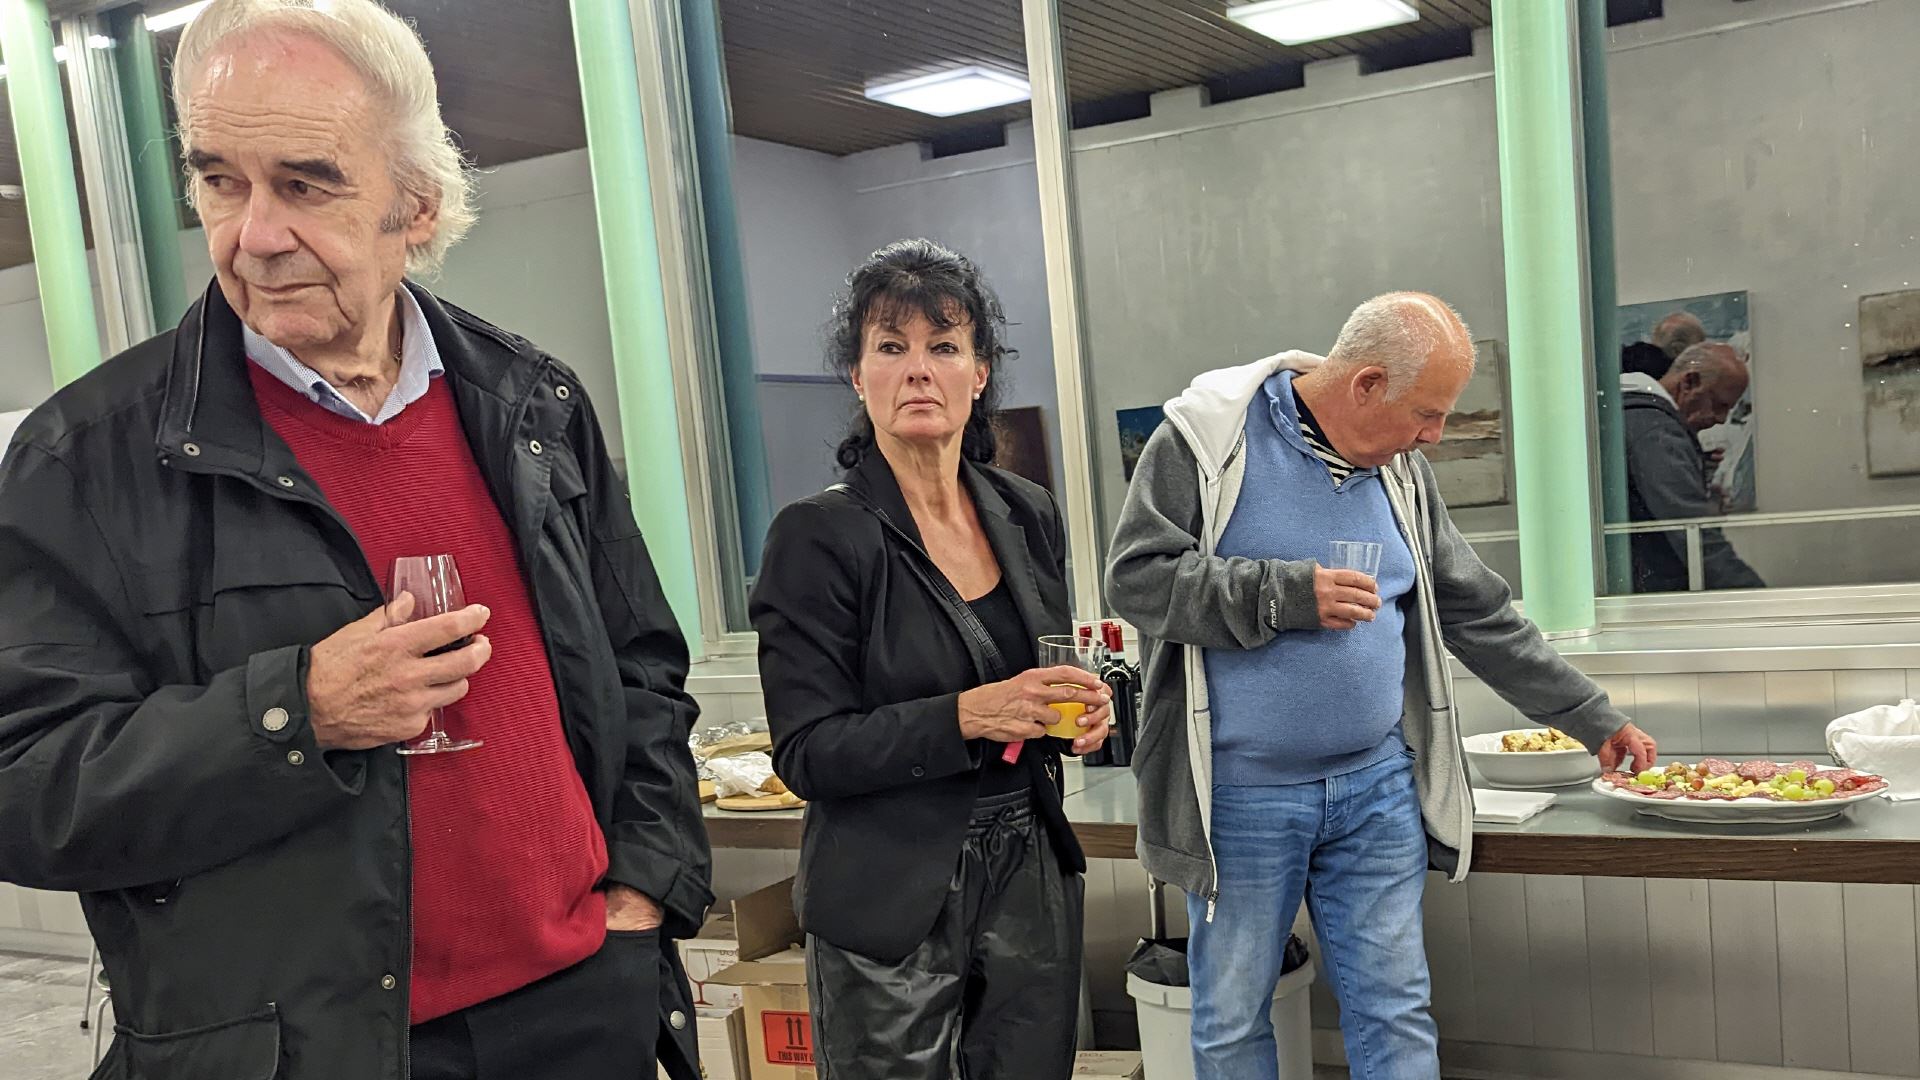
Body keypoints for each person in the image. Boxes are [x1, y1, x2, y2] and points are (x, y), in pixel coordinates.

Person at [0, 2, 711, 1077]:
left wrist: (645, 888)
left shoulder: (532, 403)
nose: (254, 234)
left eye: (305, 183)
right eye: (220, 181)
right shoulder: (85, 460)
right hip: (298, 1052)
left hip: (580, 1010)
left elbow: (640, 668)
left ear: (416, 206)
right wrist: (296, 714)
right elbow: (23, 787)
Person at [1106, 293, 1658, 1080]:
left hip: (1376, 790)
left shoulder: (1402, 474)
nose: (1435, 436)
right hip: (1240, 796)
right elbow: (1136, 580)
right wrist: (1281, 595)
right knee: (1230, 1021)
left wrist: (1592, 717)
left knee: (1395, 1011)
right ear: (1366, 385)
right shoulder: (1205, 442)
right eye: (1427, 413)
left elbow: (1479, 614)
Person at [750, 239, 1112, 1079]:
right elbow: (807, 752)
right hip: (890, 890)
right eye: (891, 347)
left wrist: (1077, 717)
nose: (919, 370)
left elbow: (1043, 679)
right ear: (858, 376)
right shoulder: (817, 536)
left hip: (1029, 871)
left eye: (944, 346)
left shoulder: (1026, 511)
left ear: (979, 374)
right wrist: (968, 716)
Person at [1622, 342, 1765, 592]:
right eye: (1719, 405)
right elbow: (1694, 534)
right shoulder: (1656, 432)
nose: (1721, 419)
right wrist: (1755, 596)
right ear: (1689, 382)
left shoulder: (1637, 418)